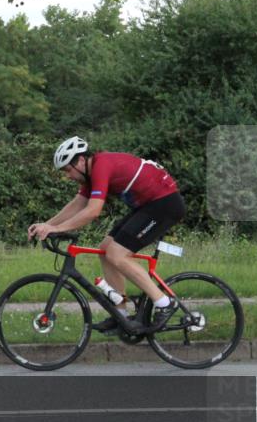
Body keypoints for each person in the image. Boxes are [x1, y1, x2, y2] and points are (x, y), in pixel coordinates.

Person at [27, 136, 186, 335]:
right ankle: (120, 314)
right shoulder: (92, 173)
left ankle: (164, 303)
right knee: (105, 249)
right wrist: (47, 225)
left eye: (68, 170)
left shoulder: (102, 166)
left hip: (164, 205)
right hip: (147, 206)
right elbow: (78, 203)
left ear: (81, 161)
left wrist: (57, 229)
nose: (68, 176)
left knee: (117, 254)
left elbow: (93, 211)